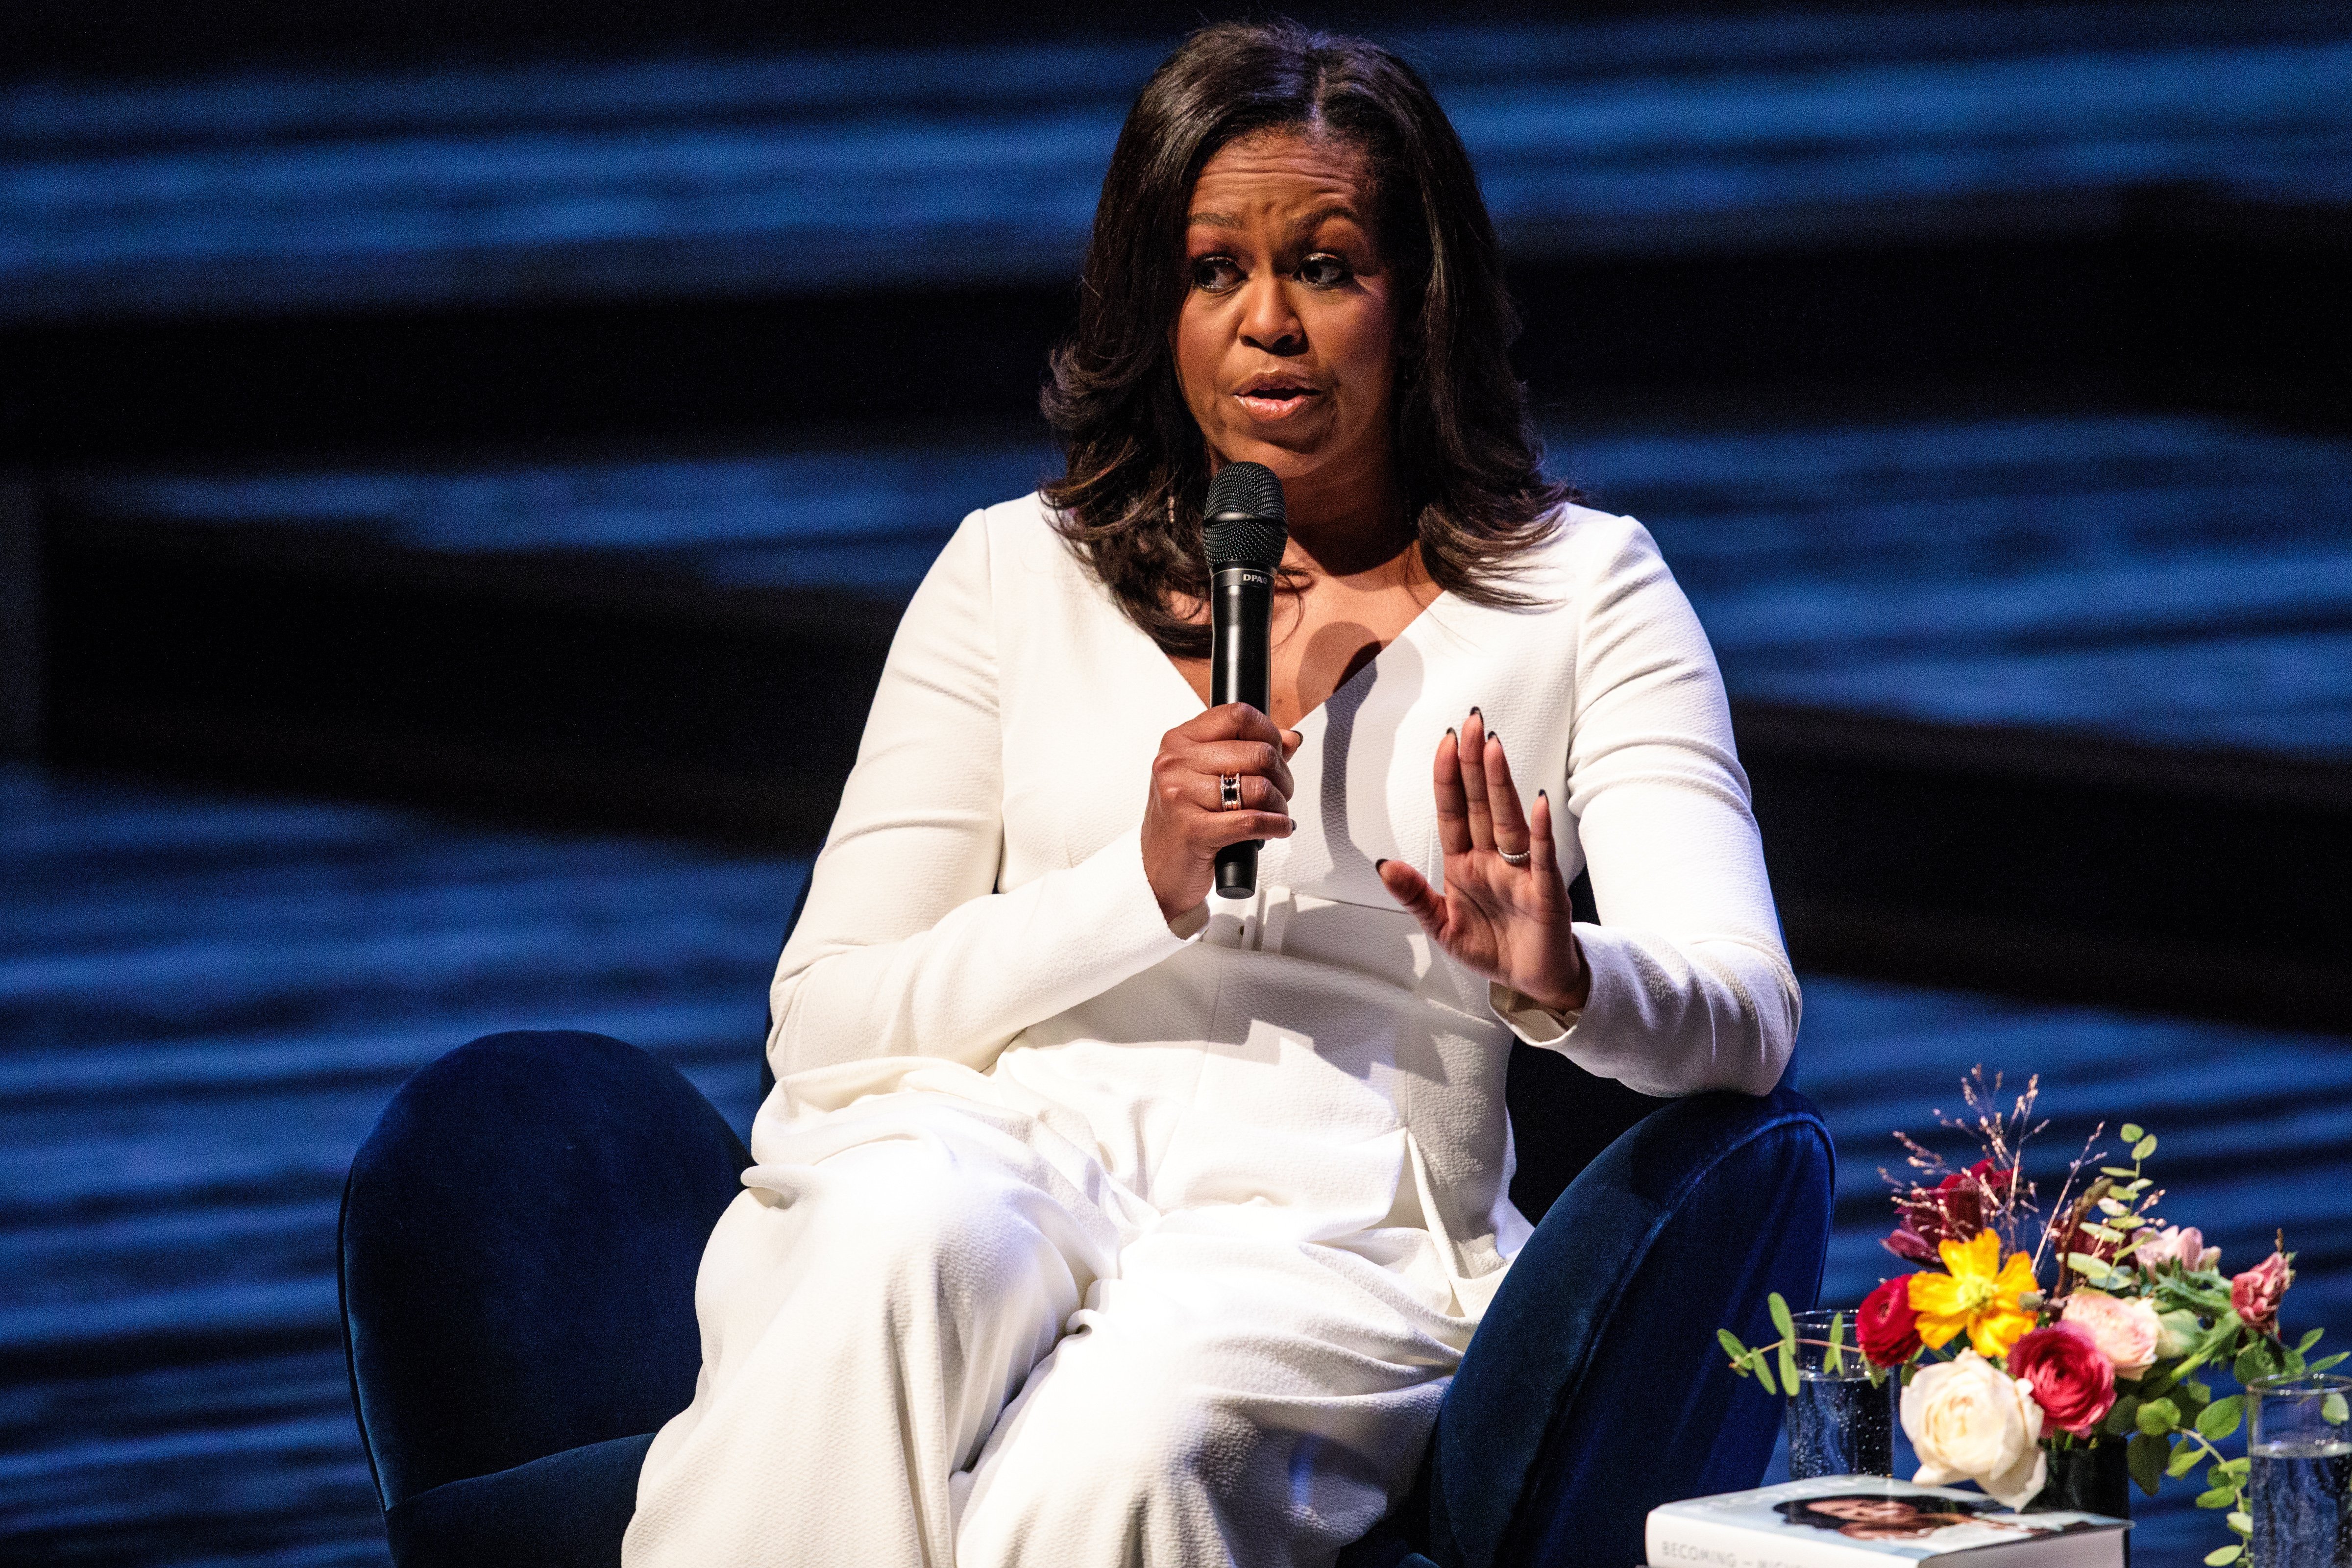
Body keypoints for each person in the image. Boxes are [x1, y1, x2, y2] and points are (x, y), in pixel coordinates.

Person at [623, 21, 1796, 1568]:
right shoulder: (1010, 573)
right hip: (1002, 1152)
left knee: (1129, 1456)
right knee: (885, 1251)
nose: (1268, 329)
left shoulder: (1582, 597)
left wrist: (1566, 974)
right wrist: (1139, 886)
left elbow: (1749, 1010)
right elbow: (827, 1020)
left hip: (1333, 1228)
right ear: (1149, 302)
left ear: (1420, 301)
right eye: (1211, 273)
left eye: (1326, 267)